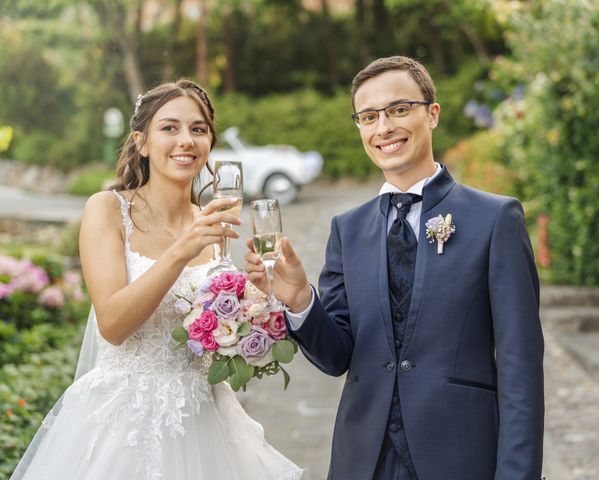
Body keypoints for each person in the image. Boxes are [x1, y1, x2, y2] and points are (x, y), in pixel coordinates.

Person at [245, 56, 544, 479]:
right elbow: (337, 356)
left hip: (462, 457)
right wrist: (298, 298)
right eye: (368, 117)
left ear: (432, 114)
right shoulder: (346, 230)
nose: (383, 127)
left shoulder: (496, 219)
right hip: (363, 460)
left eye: (399, 110)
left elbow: (521, 367)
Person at [11, 79, 303, 480]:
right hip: (124, 424)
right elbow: (112, 325)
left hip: (204, 418)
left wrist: (261, 296)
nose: (186, 140)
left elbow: (219, 334)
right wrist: (181, 249)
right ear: (141, 142)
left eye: (198, 129)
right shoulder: (107, 210)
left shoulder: (214, 223)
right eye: (170, 128)